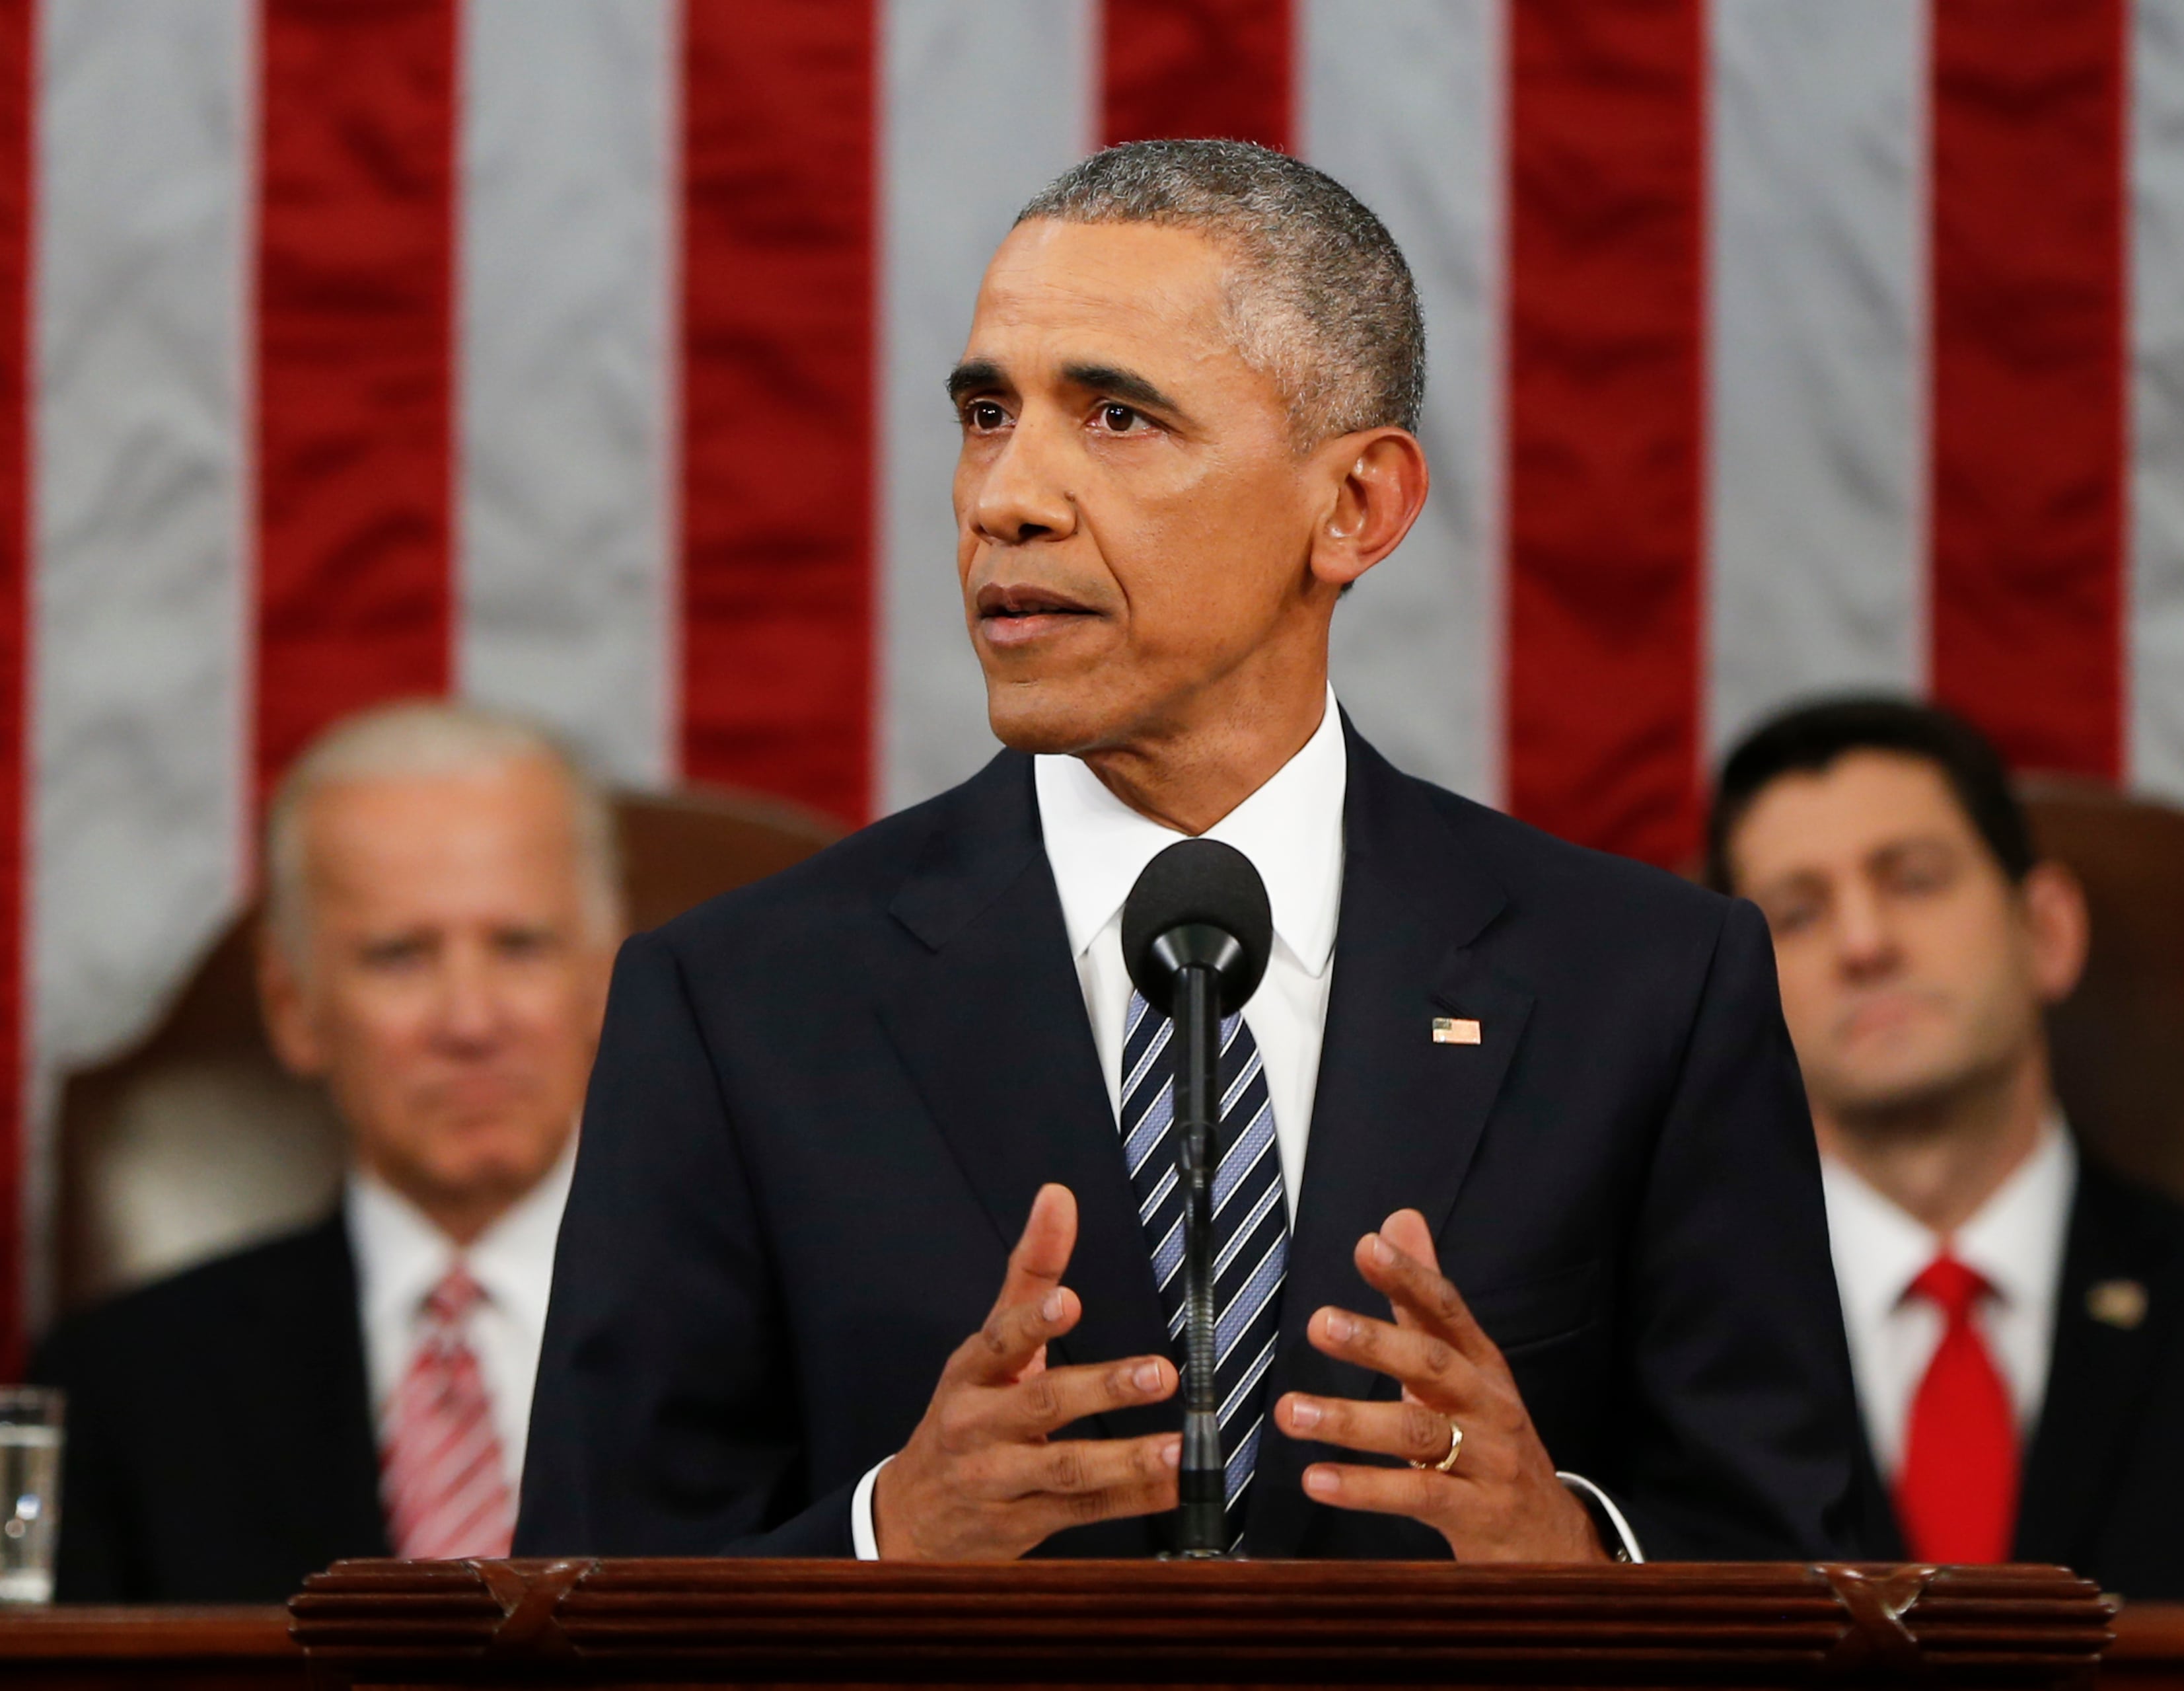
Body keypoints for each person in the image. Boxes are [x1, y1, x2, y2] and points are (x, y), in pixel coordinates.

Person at [517, 140, 1863, 1565]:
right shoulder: (734, 1006)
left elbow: (1805, 1563)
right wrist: (884, 1538)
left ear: (1355, 508)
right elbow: (581, 1610)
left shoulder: (1649, 987)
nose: (1004, 500)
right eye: (987, 413)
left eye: (1114, 417)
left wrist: (1572, 1553)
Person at [1706, 695, 2184, 1599]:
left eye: (1915, 879)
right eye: (1797, 914)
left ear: (2045, 930)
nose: (1864, 944)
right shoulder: (1665, 1367)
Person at [30, 702, 619, 1601]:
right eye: (399, 957)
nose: (470, 1022)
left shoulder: (767, 1344)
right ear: (292, 1004)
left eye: (520, 946)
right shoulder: (122, 1392)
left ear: (603, 980)